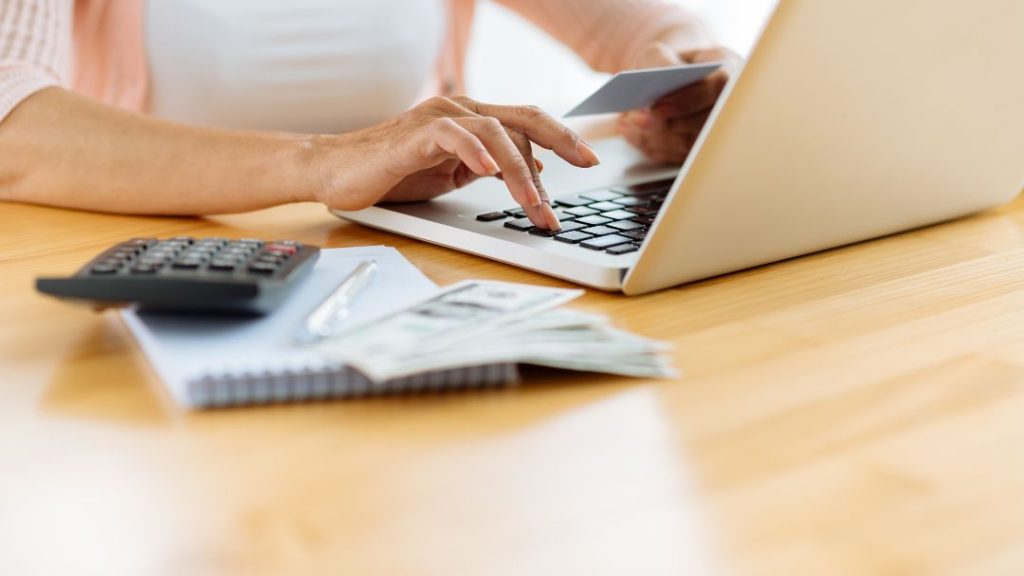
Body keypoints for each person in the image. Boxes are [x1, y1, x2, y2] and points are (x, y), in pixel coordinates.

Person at [0, 0, 734, 231]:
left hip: (393, 256)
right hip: (161, 264)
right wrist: (318, 162)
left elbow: (649, 28)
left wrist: (684, 77)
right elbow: (11, 116)